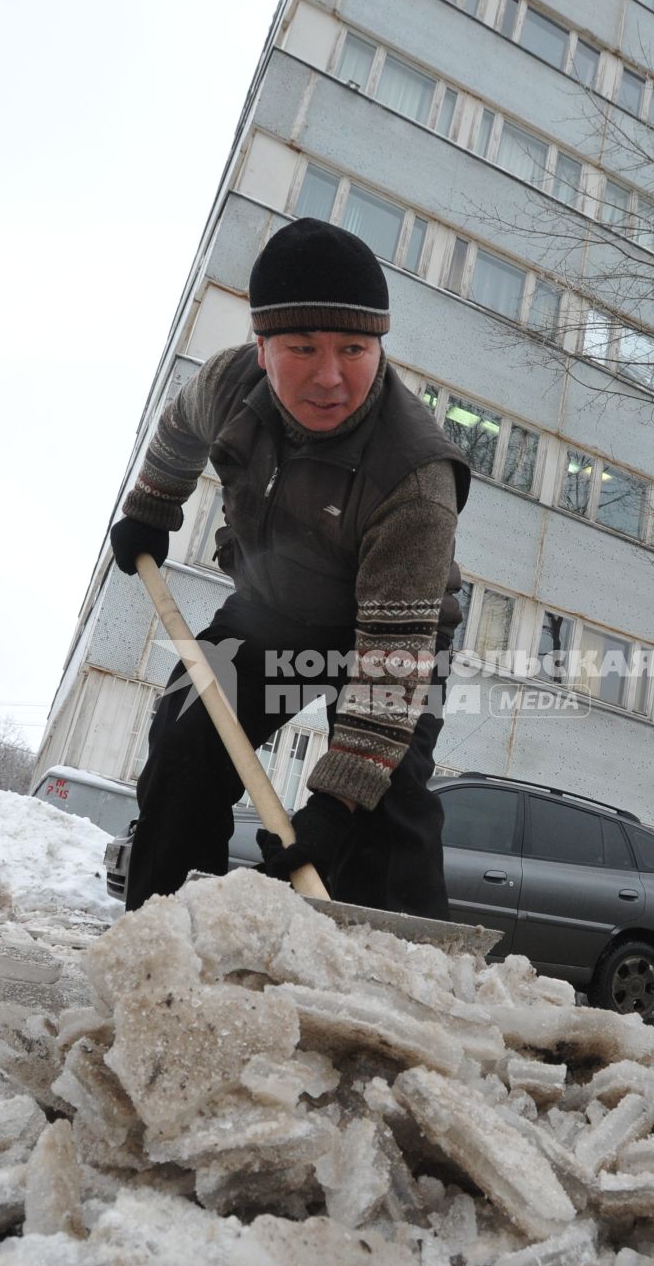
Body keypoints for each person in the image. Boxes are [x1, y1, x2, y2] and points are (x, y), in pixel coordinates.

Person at [109, 217, 470, 918]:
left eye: (354, 349)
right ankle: (164, 930)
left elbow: (391, 663)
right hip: (269, 613)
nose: (331, 376)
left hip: (389, 639)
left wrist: (337, 801)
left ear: (379, 345)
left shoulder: (416, 476)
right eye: (303, 347)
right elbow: (180, 430)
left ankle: (400, 972)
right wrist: (152, 505)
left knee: (381, 807)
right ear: (262, 347)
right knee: (185, 738)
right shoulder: (227, 385)